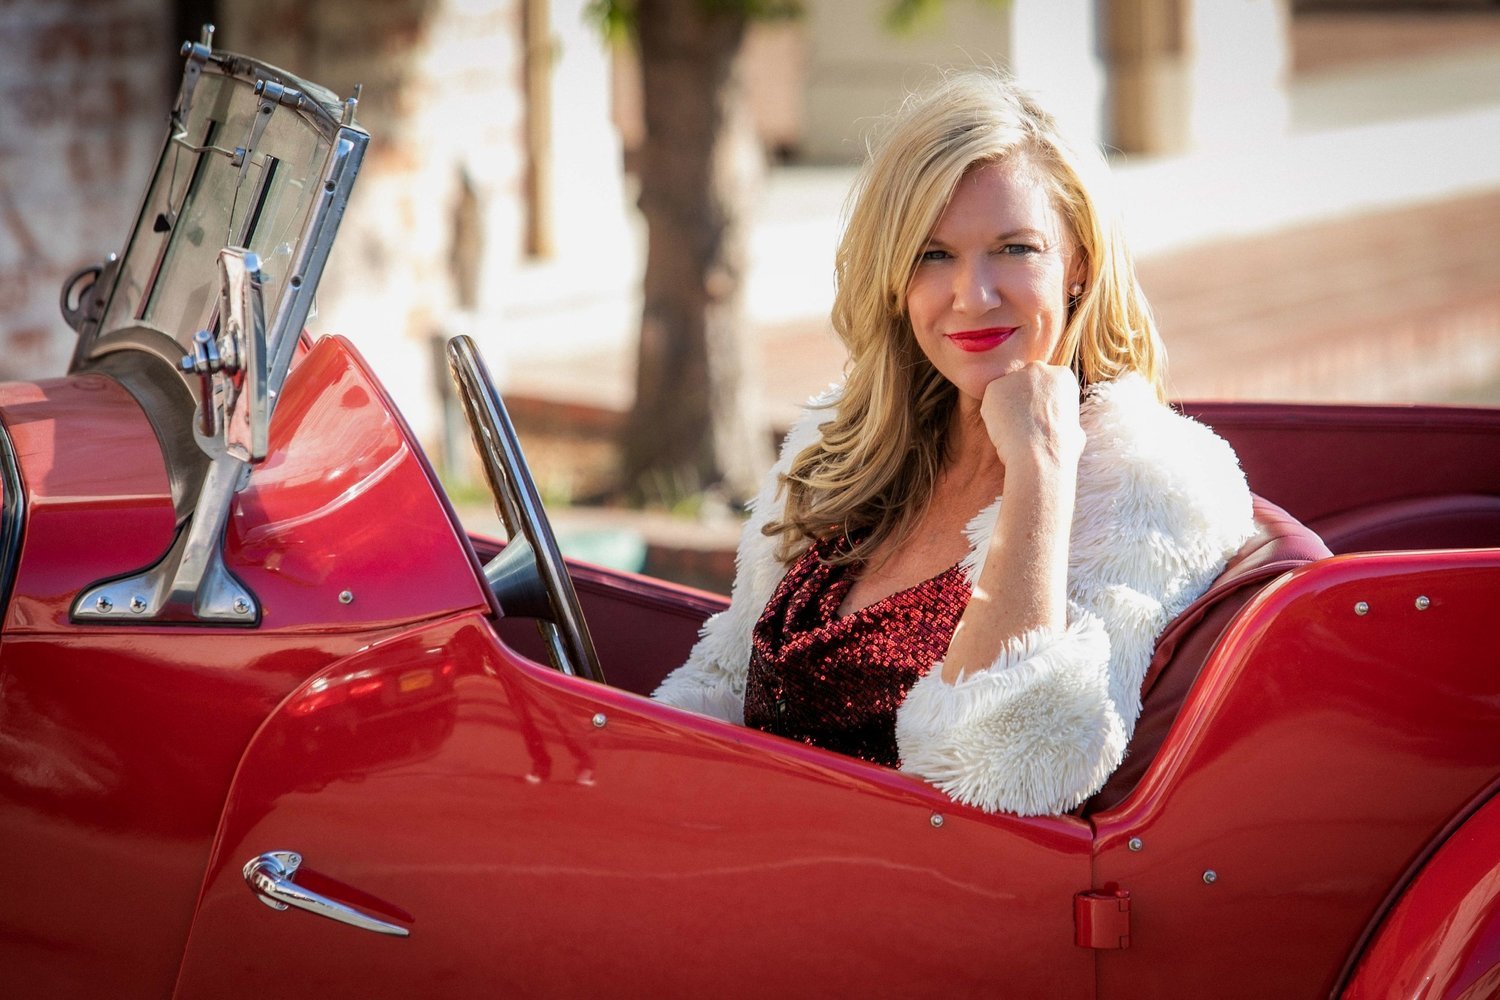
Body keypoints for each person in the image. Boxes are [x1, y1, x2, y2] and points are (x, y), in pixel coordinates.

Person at [652, 71, 1255, 816]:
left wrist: (1040, 469)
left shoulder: (1150, 484)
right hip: (739, 843)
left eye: (1015, 248)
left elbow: (1007, 779)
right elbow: (724, 677)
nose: (974, 295)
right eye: (934, 255)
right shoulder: (845, 442)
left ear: (1079, 265)